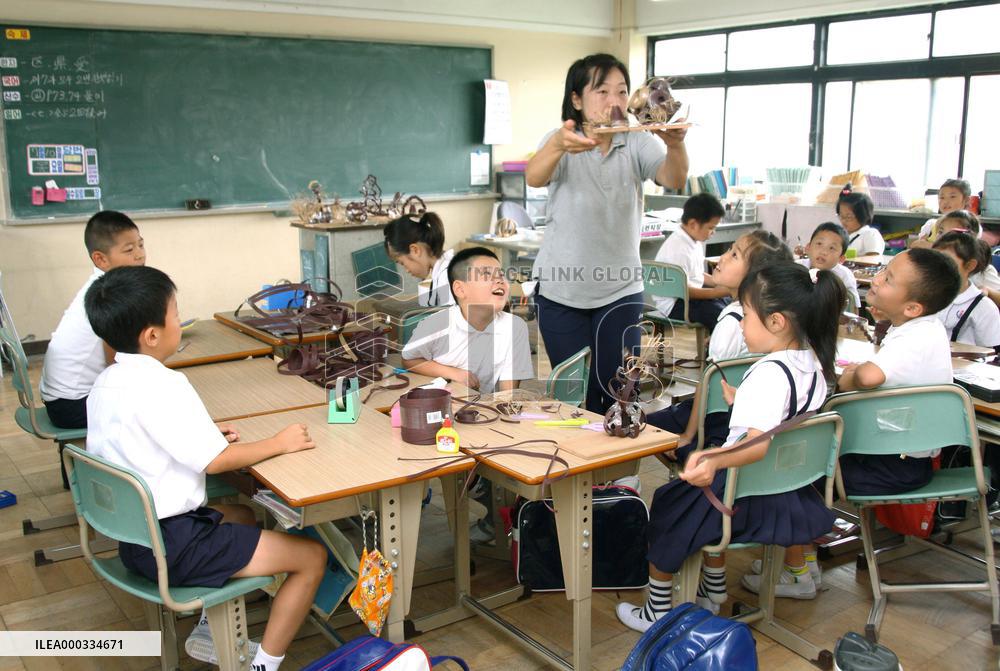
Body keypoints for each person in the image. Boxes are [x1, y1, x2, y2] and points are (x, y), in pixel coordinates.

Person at [84, 265, 325, 671]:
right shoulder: (166, 384)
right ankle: (264, 665)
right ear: (153, 335)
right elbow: (216, 463)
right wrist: (278, 443)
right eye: (176, 314)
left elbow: (142, 435)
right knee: (312, 556)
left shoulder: (106, 382)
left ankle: (206, 632)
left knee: (243, 516)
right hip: (174, 547)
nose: (181, 321)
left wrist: (201, 431)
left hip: (135, 539)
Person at [617, 262, 843, 631]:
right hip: (786, 491)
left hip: (743, 494)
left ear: (777, 322)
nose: (740, 324)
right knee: (689, 500)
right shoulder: (814, 363)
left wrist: (711, 457)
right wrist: (743, 402)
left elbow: (755, 445)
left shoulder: (767, 373)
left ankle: (656, 611)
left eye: (746, 315)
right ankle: (714, 590)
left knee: (668, 505)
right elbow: (783, 421)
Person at [525, 52, 688, 412]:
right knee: (573, 393)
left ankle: (615, 468)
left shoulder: (635, 140)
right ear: (577, 99)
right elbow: (534, 176)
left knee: (614, 388)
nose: (614, 101)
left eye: (621, 91)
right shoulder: (560, 140)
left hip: (620, 289)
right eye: (602, 91)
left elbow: (673, 178)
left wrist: (675, 144)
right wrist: (556, 145)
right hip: (561, 291)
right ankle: (576, 466)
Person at [646, 231, 793, 464]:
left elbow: (709, 385)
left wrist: (689, 435)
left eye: (734, 254)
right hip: (746, 416)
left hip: (719, 419)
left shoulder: (731, 320)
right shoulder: (766, 319)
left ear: (753, 276)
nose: (722, 257)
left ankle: (683, 468)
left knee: (644, 427)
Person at [838, 249, 961, 494]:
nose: (876, 279)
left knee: (803, 469)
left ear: (913, 308)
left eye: (888, 279)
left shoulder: (914, 337)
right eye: (883, 270)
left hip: (893, 465)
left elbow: (867, 376)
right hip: (899, 458)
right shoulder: (927, 326)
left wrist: (848, 378)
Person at [40, 210, 146, 429]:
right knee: (152, 404)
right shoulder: (110, 295)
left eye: (141, 245)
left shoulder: (101, 286)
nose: (139, 255)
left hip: (61, 399)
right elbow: (116, 363)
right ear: (100, 259)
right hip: (72, 405)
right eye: (129, 249)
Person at [401, 247, 533, 394]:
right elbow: (409, 360)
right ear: (460, 289)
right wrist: (454, 373)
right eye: (486, 274)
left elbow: (508, 394)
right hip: (440, 403)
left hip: (482, 409)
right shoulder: (436, 325)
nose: (500, 281)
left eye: (501, 275)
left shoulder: (515, 327)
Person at [653, 193, 731, 330]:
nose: (713, 232)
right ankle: (715, 349)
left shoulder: (692, 241)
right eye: (711, 228)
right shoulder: (678, 249)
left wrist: (722, 283)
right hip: (675, 304)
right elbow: (683, 290)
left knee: (729, 304)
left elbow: (697, 275)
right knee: (718, 314)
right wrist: (717, 292)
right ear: (693, 224)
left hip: (689, 298)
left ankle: (716, 343)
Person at [932, 231, 1000, 349]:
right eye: (934, 260)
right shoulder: (925, 296)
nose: (937, 267)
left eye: (946, 261)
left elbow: (992, 355)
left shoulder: (983, 307)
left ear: (969, 266)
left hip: (966, 365)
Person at [383, 211, 455, 307]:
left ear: (415, 250)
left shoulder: (446, 276)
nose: (407, 270)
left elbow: (447, 318)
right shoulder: (443, 268)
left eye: (402, 263)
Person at [796, 221, 862, 311]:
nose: (823, 252)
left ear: (841, 258)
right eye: (819, 244)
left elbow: (853, 306)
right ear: (808, 248)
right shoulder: (797, 267)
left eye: (832, 248)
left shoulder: (844, 275)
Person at [914, 178, 973, 244]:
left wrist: (927, 246)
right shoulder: (931, 225)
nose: (945, 201)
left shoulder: (971, 226)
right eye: (942, 197)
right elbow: (916, 245)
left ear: (966, 200)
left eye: (952, 197)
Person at [837, 190, 884, 257]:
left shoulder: (870, 234)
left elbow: (873, 259)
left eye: (848, 217)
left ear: (863, 215)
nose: (843, 220)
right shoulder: (841, 235)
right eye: (841, 216)